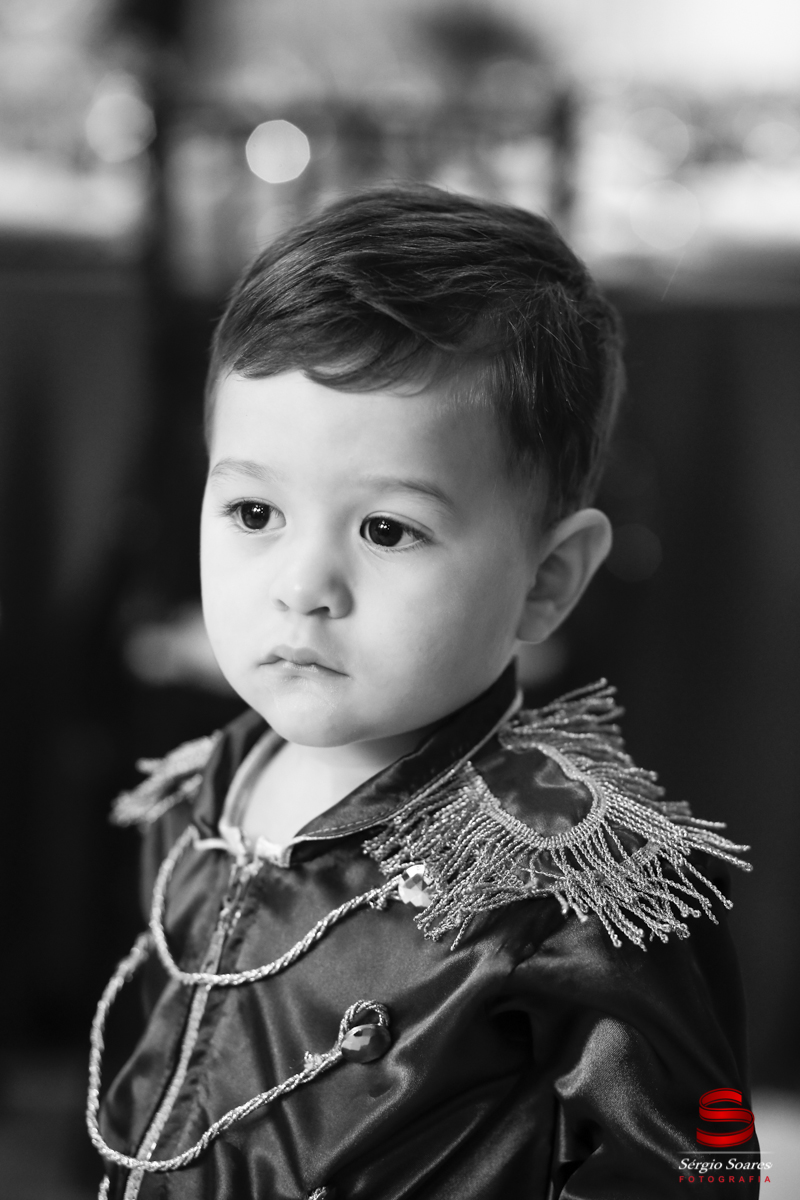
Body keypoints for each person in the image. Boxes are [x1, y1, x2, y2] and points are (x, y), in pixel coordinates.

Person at [88, 185, 758, 1199]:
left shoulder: (584, 895)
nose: (302, 587)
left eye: (386, 529)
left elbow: (699, 1171)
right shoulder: (194, 797)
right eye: (254, 511)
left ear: (546, 581)